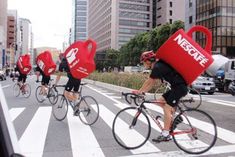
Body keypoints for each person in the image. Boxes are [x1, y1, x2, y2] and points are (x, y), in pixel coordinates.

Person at [134, 50, 188, 143]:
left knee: (167, 108)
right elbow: (151, 82)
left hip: (179, 88)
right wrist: (141, 92)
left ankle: (166, 134)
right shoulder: (158, 65)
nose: (144, 64)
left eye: (143, 62)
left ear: (148, 61)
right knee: (160, 101)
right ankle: (175, 119)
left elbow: (149, 82)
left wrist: (140, 92)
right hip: (176, 88)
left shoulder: (158, 67)